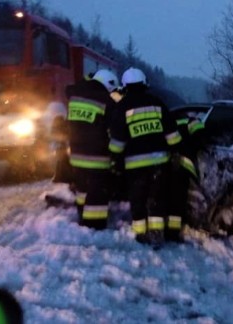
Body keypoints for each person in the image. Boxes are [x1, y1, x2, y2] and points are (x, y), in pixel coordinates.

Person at [109, 67, 182, 247]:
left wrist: (114, 159)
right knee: (157, 198)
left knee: (138, 200)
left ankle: (141, 235)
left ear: (125, 86)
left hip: (135, 166)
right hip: (159, 162)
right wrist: (176, 152)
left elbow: (117, 140)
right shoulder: (157, 103)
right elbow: (172, 134)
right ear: (144, 83)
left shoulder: (122, 107)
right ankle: (157, 234)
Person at [66, 69, 119, 229]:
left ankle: (82, 218)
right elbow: (113, 131)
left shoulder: (75, 98)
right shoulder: (107, 102)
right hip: (98, 158)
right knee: (98, 193)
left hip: (76, 156)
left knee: (82, 190)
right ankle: (94, 226)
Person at [166, 112, 204, 242]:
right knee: (178, 200)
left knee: (167, 198)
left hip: (167, 164)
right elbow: (201, 136)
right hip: (184, 165)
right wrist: (190, 148)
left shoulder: (168, 121)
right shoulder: (191, 121)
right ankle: (173, 233)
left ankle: (165, 230)